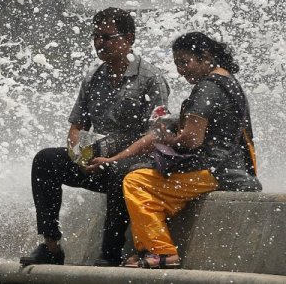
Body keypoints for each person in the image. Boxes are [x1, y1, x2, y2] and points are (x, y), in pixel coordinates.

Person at [88, 32, 261, 268]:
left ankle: (161, 252)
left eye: (185, 61)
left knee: (135, 181)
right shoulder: (228, 82)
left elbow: (191, 140)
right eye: (177, 63)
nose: (181, 70)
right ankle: (149, 246)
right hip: (232, 169)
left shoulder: (207, 89)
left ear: (205, 57)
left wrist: (168, 139)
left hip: (215, 171)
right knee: (149, 180)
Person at [19, 8, 170, 267]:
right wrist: (79, 154)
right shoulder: (94, 76)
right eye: (96, 36)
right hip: (96, 160)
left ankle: (110, 253)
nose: (100, 43)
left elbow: (156, 134)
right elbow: (77, 126)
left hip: (133, 163)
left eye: (107, 37)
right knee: (45, 160)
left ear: (129, 39)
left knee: (117, 169)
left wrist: (114, 158)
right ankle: (51, 246)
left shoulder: (150, 78)